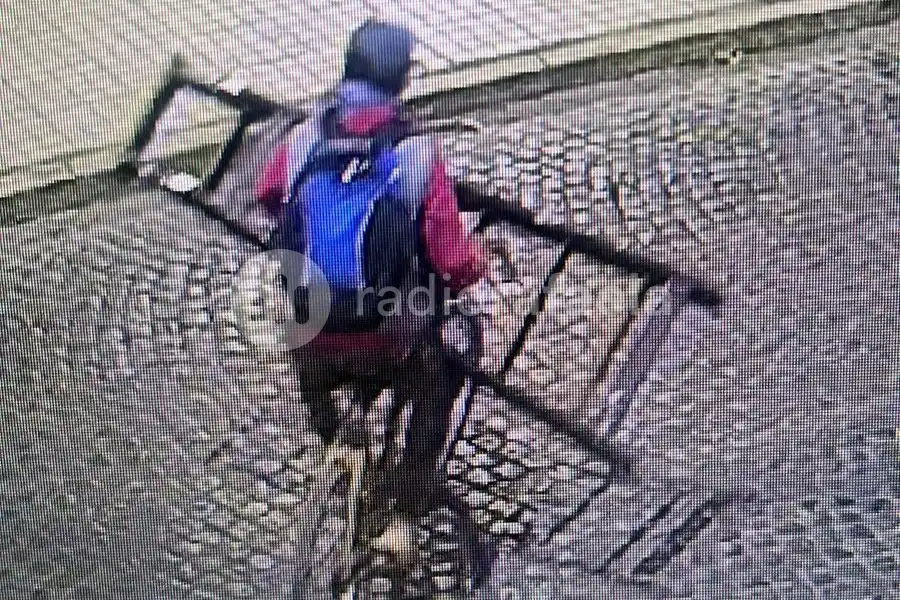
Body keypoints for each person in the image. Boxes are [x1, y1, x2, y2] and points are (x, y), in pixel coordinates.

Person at [254, 19, 487, 507]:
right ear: (403, 79)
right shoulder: (415, 152)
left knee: (316, 372)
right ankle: (402, 515)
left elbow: (269, 196)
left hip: (313, 326)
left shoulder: (303, 138)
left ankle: (339, 452)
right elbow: (453, 259)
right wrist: (474, 267)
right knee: (434, 390)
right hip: (386, 332)